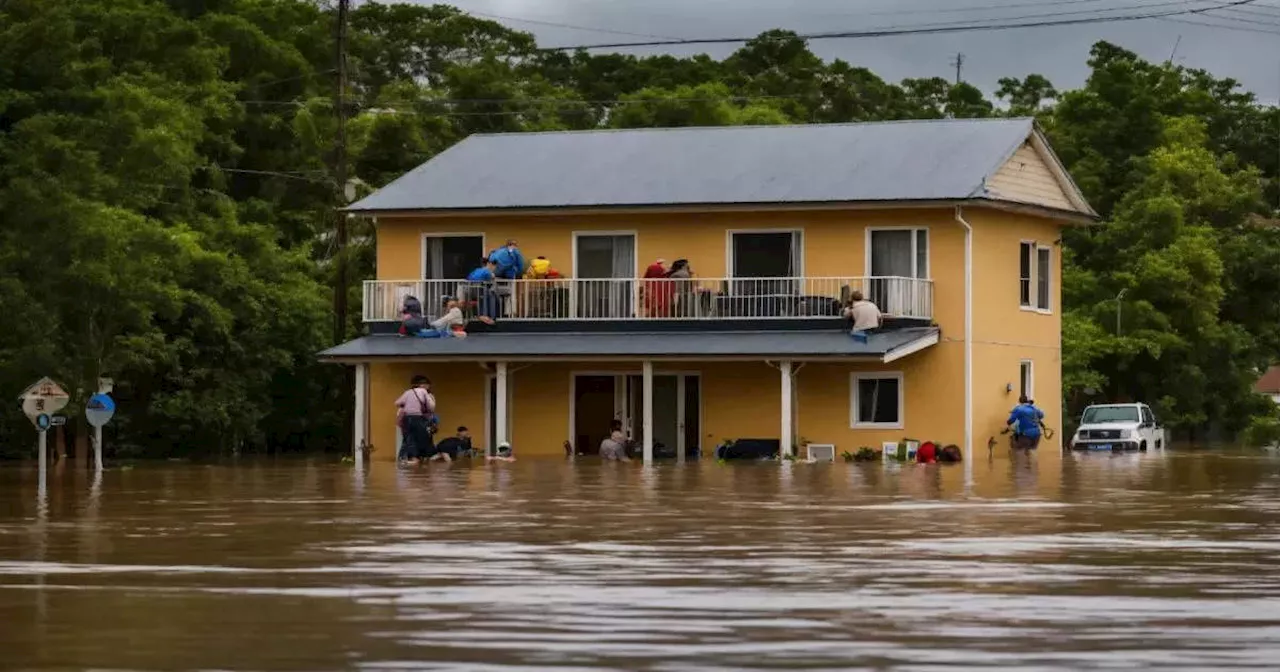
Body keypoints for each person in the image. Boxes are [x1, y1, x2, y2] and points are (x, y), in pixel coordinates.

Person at [395, 376, 435, 464]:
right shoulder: (425, 393)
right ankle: (419, 458)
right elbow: (431, 407)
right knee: (423, 438)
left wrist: (405, 406)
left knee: (408, 439)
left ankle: (405, 458)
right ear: (422, 385)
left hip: (407, 419)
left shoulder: (407, 392)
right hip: (419, 418)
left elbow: (397, 403)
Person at [464, 260, 499, 324]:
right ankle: (490, 316)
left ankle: (481, 315)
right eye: (494, 267)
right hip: (480, 291)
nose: (494, 269)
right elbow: (491, 279)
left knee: (485, 297)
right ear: (490, 265)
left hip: (470, 290)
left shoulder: (477, 270)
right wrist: (492, 276)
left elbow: (468, 277)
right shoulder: (487, 272)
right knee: (492, 295)